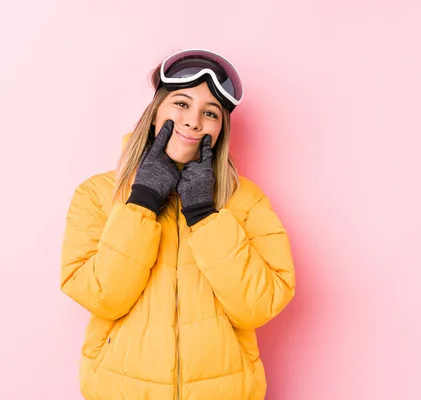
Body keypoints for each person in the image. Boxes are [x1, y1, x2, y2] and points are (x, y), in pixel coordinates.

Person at [60, 48, 296, 400]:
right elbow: (102, 298)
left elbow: (259, 306)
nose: (193, 121)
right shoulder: (97, 194)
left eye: (210, 113)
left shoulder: (246, 200)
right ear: (156, 112)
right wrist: (142, 200)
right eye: (181, 104)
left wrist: (204, 213)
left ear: (220, 130)